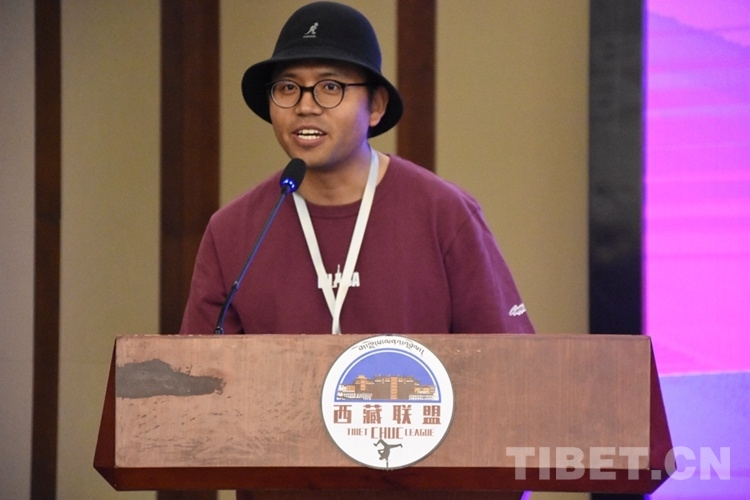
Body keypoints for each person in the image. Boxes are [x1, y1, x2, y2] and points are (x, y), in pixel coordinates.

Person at [179, 1, 534, 336]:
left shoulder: (445, 213)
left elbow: (509, 363)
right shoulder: (231, 232)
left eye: (330, 86)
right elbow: (195, 372)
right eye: (288, 87)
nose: (305, 106)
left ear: (376, 105)